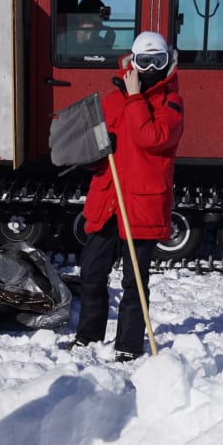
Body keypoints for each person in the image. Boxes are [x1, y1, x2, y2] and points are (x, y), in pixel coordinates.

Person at [72, 31, 184, 361]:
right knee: (91, 273)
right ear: (131, 61)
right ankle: (89, 335)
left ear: (167, 63)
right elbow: (94, 149)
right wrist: (89, 153)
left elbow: (151, 137)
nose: (150, 68)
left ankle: (128, 345)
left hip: (142, 204)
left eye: (157, 61)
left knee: (134, 280)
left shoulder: (171, 104)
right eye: (144, 60)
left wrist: (135, 98)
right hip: (109, 199)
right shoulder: (111, 100)